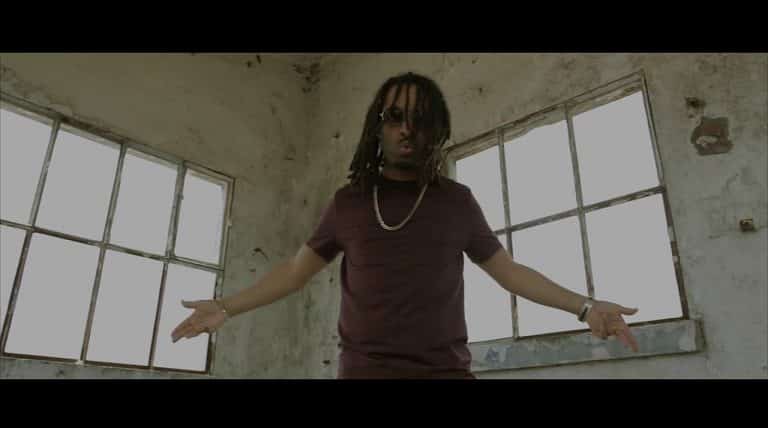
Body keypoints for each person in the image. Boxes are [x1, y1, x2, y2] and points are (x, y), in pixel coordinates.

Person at [171, 72, 639, 379]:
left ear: (435, 129)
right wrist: (225, 307)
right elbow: (295, 272)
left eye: (418, 119)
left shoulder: (457, 202)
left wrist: (584, 307)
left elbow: (509, 272)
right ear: (377, 128)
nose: (406, 129)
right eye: (394, 118)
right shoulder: (349, 203)